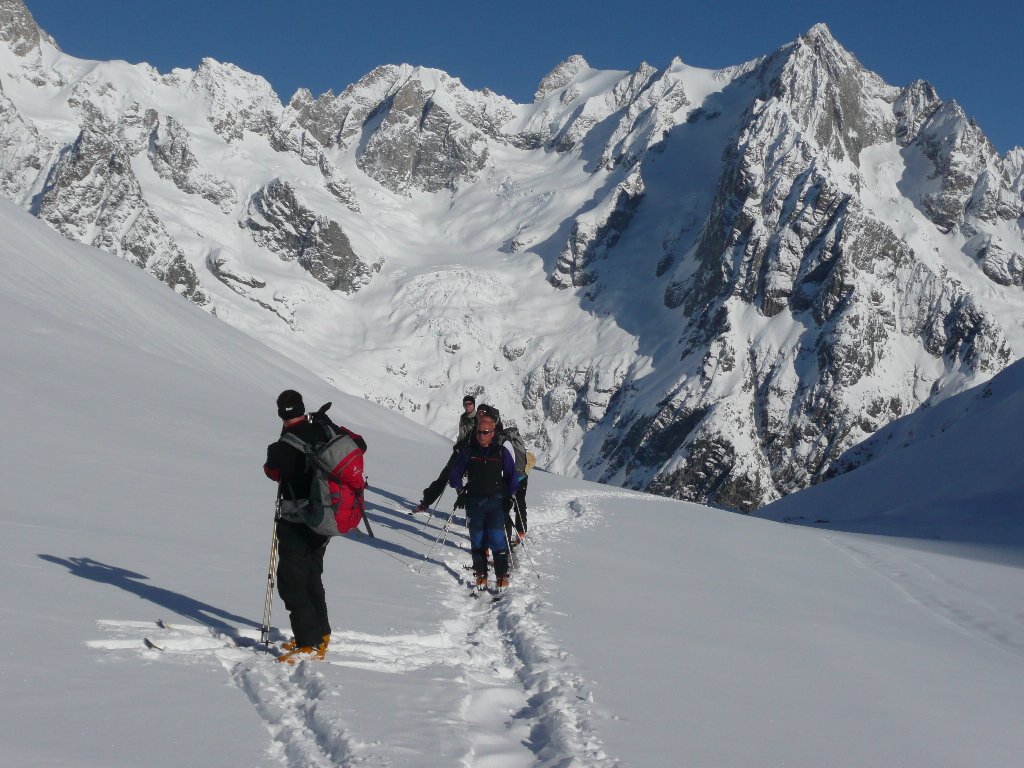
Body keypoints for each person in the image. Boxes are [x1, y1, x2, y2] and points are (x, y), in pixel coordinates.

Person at [263, 389, 365, 662]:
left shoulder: (281, 448)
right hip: (324, 519)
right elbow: (359, 444)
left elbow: (271, 471)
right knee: (311, 575)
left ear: (279, 414)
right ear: (302, 408)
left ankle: (309, 641)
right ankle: (321, 633)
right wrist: (328, 423)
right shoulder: (322, 430)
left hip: (296, 521)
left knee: (291, 581)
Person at [449, 406, 519, 591]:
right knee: (477, 540)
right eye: (479, 432)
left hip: (496, 502)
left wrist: (509, 497)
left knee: (497, 539)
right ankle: (481, 575)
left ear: (492, 432)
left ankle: (502, 576)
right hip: (474, 502)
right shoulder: (469, 451)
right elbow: (454, 473)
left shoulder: (501, 452)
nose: (482, 435)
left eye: (485, 432)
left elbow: (512, 476)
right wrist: (460, 491)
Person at [412, 394, 478, 514]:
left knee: (472, 483)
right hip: (459, 452)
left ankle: (472, 512)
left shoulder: (478, 419)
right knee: (444, 477)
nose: (467, 406)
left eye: (469, 404)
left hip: (471, 454)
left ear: (474, 405)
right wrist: (458, 445)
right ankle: (426, 502)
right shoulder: (463, 417)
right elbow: (462, 435)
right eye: (465, 404)